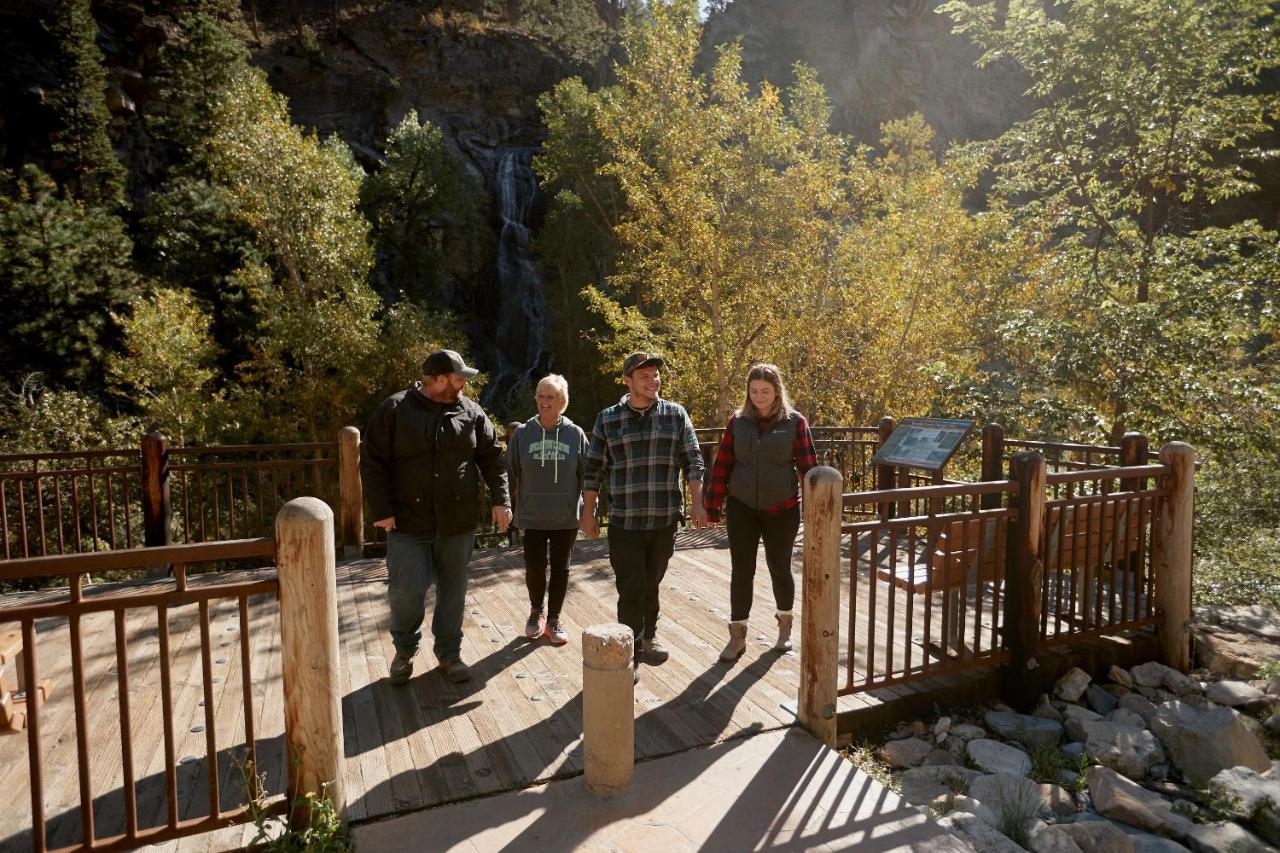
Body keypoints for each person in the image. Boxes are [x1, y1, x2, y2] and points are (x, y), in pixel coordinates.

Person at [361, 349, 512, 685]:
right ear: (441, 379)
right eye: (459, 378)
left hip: (457, 522)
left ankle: (449, 653)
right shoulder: (396, 409)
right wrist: (382, 510)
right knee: (406, 590)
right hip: (407, 522)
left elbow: (491, 459)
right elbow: (372, 461)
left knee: (453, 591)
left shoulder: (471, 412)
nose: (463, 385)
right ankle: (404, 651)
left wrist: (502, 499)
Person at [581, 352, 706, 674]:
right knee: (631, 588)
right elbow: (594, 468)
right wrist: (589, 512)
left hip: (664, 519)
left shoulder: (675, 415)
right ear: (628, 381)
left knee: (652, 584)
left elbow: (693, 460)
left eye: (655, 375)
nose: (653, 381)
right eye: (644, 376)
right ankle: (631, 652)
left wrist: (698, 502)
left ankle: (649, 636)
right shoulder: (608, 419)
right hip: (624, 521)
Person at [704, 363, 816, 662]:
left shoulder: (795, 422)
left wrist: (817, 512)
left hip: (783, 508)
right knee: (742, 570)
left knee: (780, 567)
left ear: (777, 391)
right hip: (742, 507)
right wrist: (712, 505)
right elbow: (723, 463)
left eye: (765, 391)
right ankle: (737, 635)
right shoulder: (737, 422)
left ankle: (785, 627)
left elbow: (808, 469)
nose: (759, 396)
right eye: (753, 391)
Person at [506, 375, 587, 646]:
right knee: (534, 568)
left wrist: (590, 511)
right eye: (540, 395)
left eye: (550, 396)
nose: (544, 401)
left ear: (561, 401)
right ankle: (536, 611)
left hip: (565, 516)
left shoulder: (575, 434)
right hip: (533, 514)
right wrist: (506, 504)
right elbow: (510, 470)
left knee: (561, 569)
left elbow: (588, 475)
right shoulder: (523, 433)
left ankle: (554, 619)